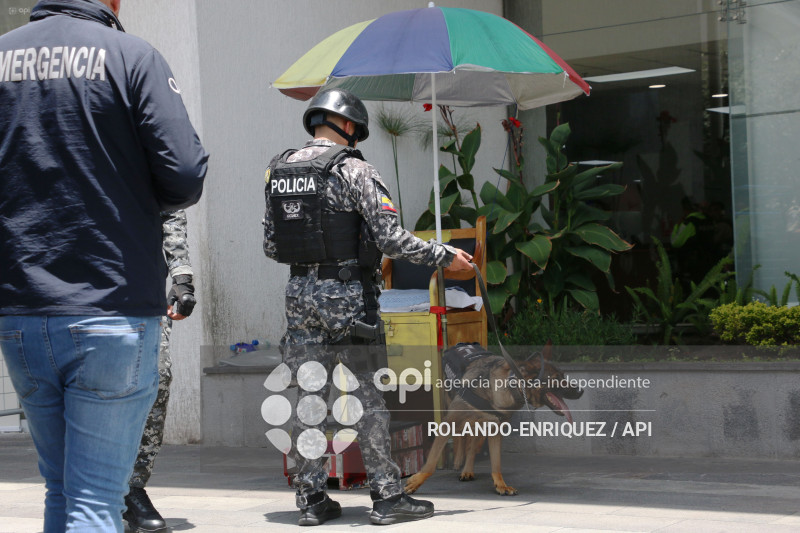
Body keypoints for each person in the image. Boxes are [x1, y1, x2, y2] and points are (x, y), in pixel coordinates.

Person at [0, 0, 208, 531]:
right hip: (110, 306)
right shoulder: (131, 55)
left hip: (20, 308)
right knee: (94, 501)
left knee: (62, 490)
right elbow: (184, 173)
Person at [262, 88, 473, 526]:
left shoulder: (279, 170)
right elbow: (392, 239)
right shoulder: (356, 170)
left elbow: (270, 245)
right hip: (347, 298)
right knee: (367, 397)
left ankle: (311, 501)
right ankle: (387, 497)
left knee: (309, 398)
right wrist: (443, 256)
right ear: (351, 127)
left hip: (298, 295)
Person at [124, 209, 197, 533]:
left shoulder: (139, 156)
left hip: (140, 287)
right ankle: (90, 490)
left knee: (158, 379)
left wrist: (181, 274)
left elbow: (171, 205)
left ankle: (131, 487)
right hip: (79, 287)